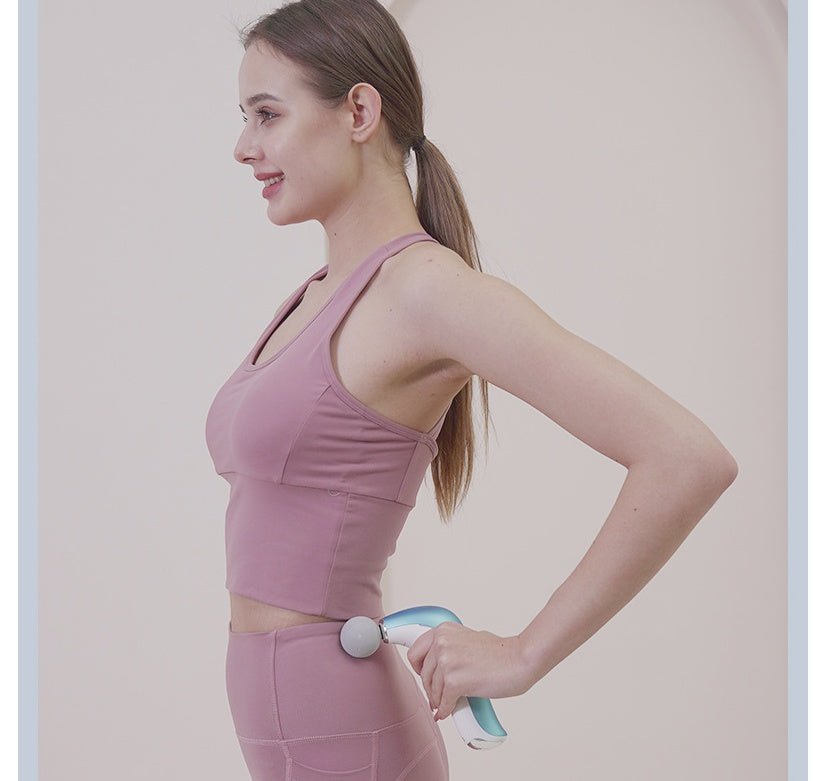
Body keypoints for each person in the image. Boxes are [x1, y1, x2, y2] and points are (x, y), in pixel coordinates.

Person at [205, 1, 738, 778]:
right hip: (289, 730)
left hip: (347, 735)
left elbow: (686, 457)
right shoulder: (317, 295)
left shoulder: (428, 291)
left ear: (359, 111)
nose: (243, 147)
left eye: (267, 115)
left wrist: (524, 653)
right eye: (245, 118)